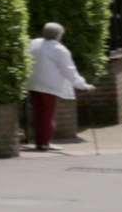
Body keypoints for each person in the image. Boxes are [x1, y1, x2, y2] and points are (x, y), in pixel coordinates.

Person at [25, 19, 84, 150]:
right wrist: (83, 85)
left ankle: (40, 142)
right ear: (58, 35)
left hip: (33, 83)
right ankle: (44, 143)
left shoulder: (34, 43)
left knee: (38, 114)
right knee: (46, 115)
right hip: (49, 86)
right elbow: (69, 70)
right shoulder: (59, 49)